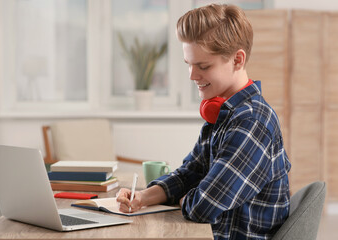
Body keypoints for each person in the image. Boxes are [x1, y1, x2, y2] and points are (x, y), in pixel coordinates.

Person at [117, 4, 291, 240]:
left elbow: (203, 206)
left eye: (203, 66)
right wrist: (143, 197)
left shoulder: (251, 122)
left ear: (237, 60)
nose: (191, 75)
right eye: (189, 64)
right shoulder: (224, 112)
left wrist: (184, 198)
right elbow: (190, 172)